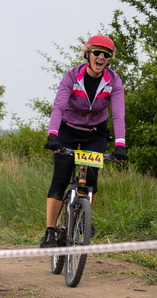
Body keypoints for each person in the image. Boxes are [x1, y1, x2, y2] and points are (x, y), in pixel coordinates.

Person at [40, 35, 128, 248]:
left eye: (106, 55)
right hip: (68, 130)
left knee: (90, 179)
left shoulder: (113, 81)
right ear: (87, 54)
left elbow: (118, 115)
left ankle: (82, 218)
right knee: (60, 179)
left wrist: (120, 145)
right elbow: (59, 107)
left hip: (95, 133)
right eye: (97, 53)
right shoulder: (72, 76)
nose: (101, 58)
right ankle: (50, 231)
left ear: (110, 59)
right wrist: (52, 135)